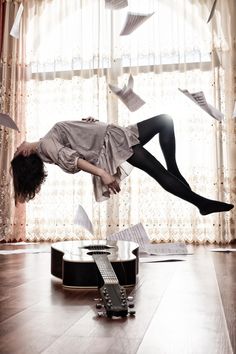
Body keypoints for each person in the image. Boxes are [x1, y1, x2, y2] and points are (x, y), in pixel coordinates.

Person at [11, 115, 234, 215]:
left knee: (165, 121)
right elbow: (74, 160)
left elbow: (76, 146)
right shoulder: (45, 147)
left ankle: (174, 172)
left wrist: (86, 125)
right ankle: (201, 204)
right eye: (17, 151)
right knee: (158, 172)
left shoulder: (45, 142)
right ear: (26, 155)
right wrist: (103, 174)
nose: (17, 146)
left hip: (115, 134)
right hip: (114, 145)